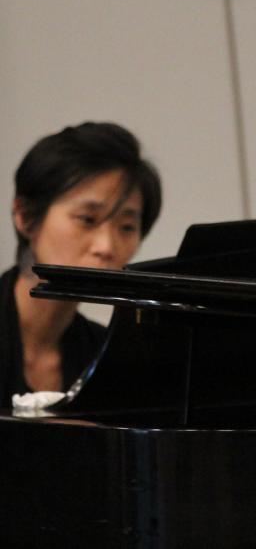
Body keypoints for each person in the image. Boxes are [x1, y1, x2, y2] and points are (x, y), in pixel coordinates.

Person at [1, 122, 161, 405]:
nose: (107, 247)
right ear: (25, 216)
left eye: (126, 227)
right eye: (87, 219)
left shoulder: (104, 356)